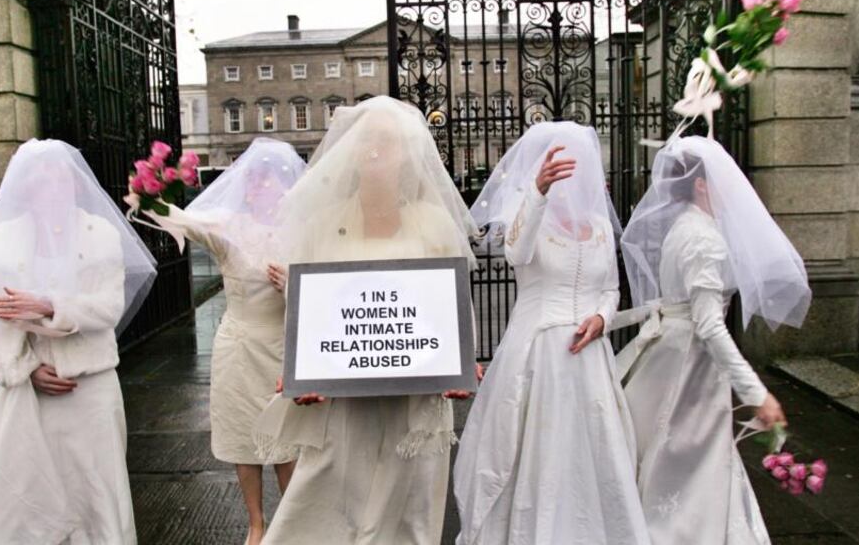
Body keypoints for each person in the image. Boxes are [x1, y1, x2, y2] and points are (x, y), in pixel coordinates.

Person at [256, 96, 478, 545]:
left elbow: (455, 305)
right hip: (344, 405)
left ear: (408, 153)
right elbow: (304, 309)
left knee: (408, 519)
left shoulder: (435, 224)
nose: (376, 150)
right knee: (332, 511)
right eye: (368, 141)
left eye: (389, 142)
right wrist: (300, 370)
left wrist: (460, 359)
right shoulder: (321, 224)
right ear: (352, 151)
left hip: (412, 402)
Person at [0, 139, 157, 544]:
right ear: (24, 185)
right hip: (31, 394)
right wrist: (23, 369)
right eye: (38, 176)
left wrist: (49, 305)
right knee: (29, 501)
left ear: (74, 182)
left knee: (96, 493)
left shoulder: (101, 235)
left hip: (89, 390)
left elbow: (108, 307)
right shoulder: (2, 239)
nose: (50, 183)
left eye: (58, 174)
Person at [454, 122, 650, 545]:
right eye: (557, 164)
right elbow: (516, 253)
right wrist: (537, 194)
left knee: (594, 453)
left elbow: (611, 288)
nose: (571, 174)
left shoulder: (598, 226)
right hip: (538, 355)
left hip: (589, 359)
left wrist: (601, 317)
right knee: (540, 452)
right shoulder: (525, 217)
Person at [618, 136, 811, 545]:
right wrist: (755, 392)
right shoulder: (705, 237)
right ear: (701, 184)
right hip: (691, 364)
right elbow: (709, 325)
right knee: (692, 460)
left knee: (669, 455)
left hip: (669, 351)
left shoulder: (683, 226)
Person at [173, 137, 306, 544]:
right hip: (237, 345)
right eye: (251, 181)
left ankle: (292, 525)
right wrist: (151, 195)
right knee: (242, 440)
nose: (255, 187)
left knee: (285, 443)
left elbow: (326, 294)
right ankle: (256, 524)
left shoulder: (303, 232)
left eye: (264, 181)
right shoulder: (229, 227)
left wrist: (293, 285)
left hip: (282, 348)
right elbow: (183, 222)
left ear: (283, 185)